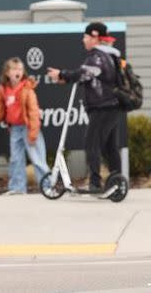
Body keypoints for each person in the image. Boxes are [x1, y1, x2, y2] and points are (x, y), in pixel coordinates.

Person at [46, 22, 121, 194]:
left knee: (91, 143)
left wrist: (62, 74)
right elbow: (89, 76)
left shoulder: (98, 56)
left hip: (102, 107)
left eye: (86, 36)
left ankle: (95, 183)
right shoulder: (112, 55)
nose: (83, 39)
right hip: (113, 106)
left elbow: (84, 73)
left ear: (95, 38)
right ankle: (117, 182)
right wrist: (65, 78)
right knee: (110, 147)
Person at [0, 57, 50, 195]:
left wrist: (33, 132)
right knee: (15, 159)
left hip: (28, 127)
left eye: (20, 69)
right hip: (15, 128)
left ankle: (47, 186)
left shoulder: (26, 89)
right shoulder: (3, 89)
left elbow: (34, 111)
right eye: (14, 69)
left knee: (37, 159)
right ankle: (17, 188)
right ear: (7, 73)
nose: (18, 72)